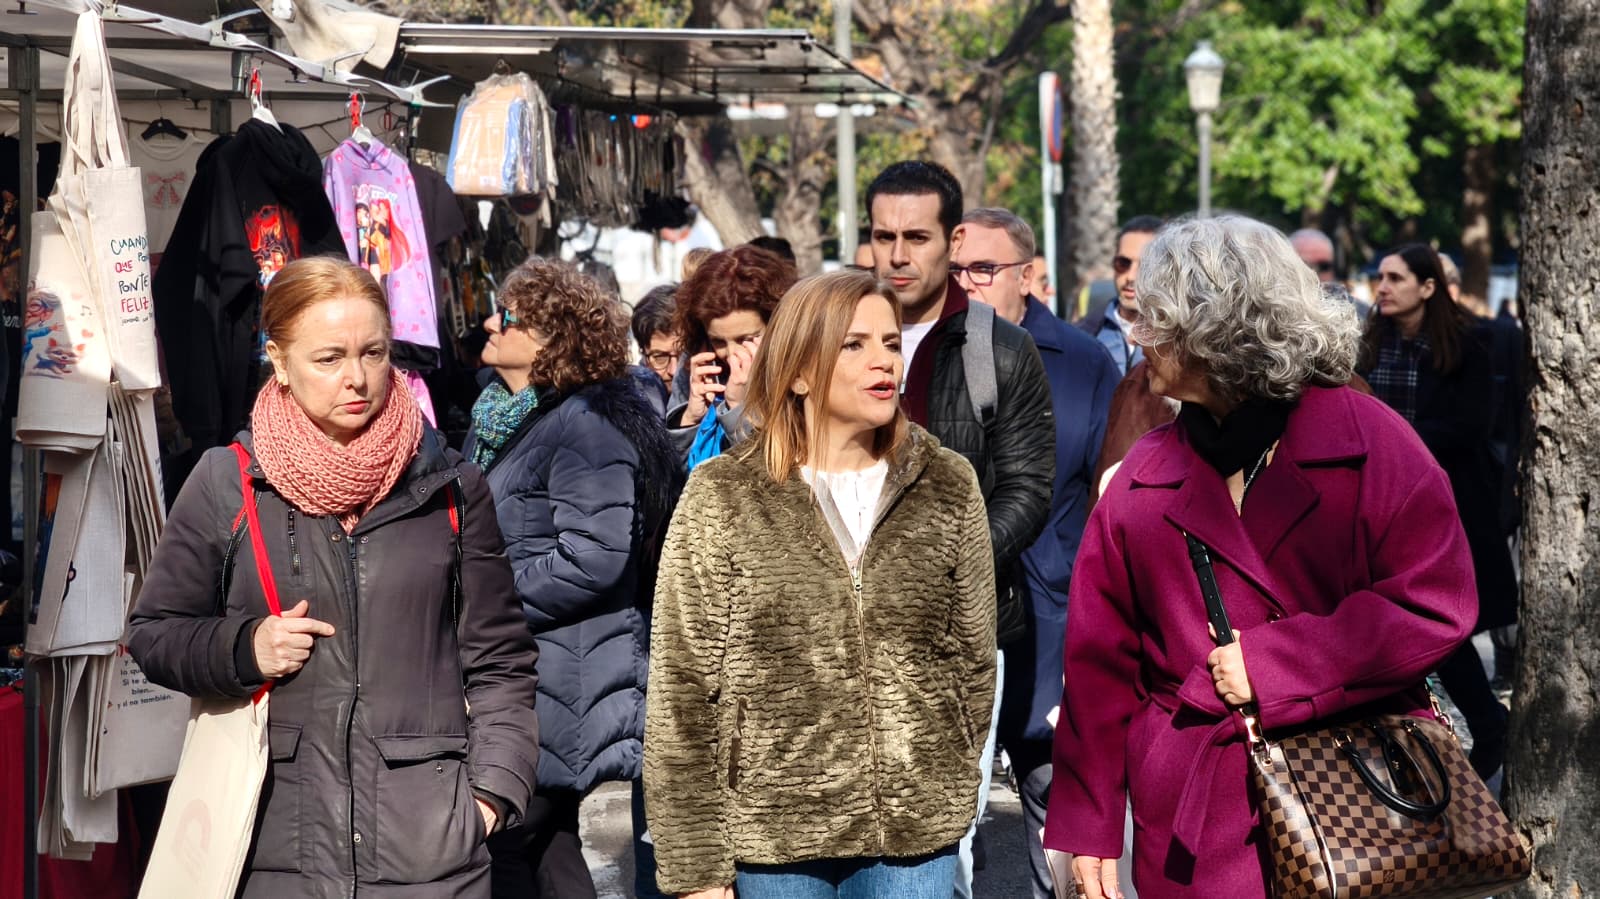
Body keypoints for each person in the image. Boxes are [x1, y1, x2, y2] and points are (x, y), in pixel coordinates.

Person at [1047, 216, 1477, 898]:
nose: (1137, 335)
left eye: (1158, 319)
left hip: (1355, 806)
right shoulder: (1141, 475)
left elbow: (1436, 600)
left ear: (1219, 328)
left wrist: (1275, 664)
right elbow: (1100, 667)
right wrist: (1087, 819)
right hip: (1199, 826)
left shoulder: (1372, 443)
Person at [128, 257, 539, 897]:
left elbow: (501, 662)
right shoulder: (228, 480)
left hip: (429, 856)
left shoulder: (451, 488)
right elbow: (154, 635)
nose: (357, 378)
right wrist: (245, 648)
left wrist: (489, 797)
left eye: (373, 352)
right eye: (328, 358)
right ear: (279, 361)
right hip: (273, 846)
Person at [644, 269, 998, 899]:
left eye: (890, 342)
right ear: (801, 372)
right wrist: (696, 869)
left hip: (912, 843)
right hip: (773, 841)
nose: (883, 361)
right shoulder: (724, 495)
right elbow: (682, 693)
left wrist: (944, 775)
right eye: (854, 345)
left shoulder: (947, 483)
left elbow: (972, 662)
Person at [865, 161, 1054, 899]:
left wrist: (943, 565)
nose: (898, 255)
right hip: (840, 631)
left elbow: (1027, 491)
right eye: (884, 236)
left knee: (948, 836)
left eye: (917, 236)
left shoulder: (998, 349)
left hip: (962, 630)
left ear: (955, 239)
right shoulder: (831, 334)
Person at [464, 258, 677, 899]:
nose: (489, 321)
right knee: (544, 846)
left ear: (550, 339)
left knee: (505, 843)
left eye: (509, 315)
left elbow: (594, 556)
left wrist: (488, 599)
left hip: (560, 675)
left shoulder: (582, 425)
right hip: (540, 670)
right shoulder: (516, 419)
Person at [951, 208, 1118, 899]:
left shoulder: (1084, 363)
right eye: (956, 270)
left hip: (1054, 628)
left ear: (1028, 275)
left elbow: (1111, 500)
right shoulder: (924, 354)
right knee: (948, 831)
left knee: (1058, 823)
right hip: (954, 620)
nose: (966, 284)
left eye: (983, 270)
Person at [1360, 243, 1515, 779]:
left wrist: (1391, 439)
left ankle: (1484, 723)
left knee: (1440, 621)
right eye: (1380, 277)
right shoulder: (1371, 344)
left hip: (1445, 503)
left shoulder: (1468, 346)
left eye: (1396, 278)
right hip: (1376, 505)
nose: (1382, 287)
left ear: (1428, 287)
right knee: (1395, 620)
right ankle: (1456, 731)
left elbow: (1472, 427)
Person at [667, 245, 798, 462]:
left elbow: (778, 475)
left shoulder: (800, 370)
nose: (731, 354)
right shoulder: (697, 362)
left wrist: (738, 409)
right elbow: (676, 475)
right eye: (718, 341)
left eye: (746, 339)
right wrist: (690, 418)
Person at [1079, 216, 1162, 375]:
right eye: (1123, 263)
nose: (1130, 276)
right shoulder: (1082, 335)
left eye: (1144, 266)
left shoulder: (1181, 342)